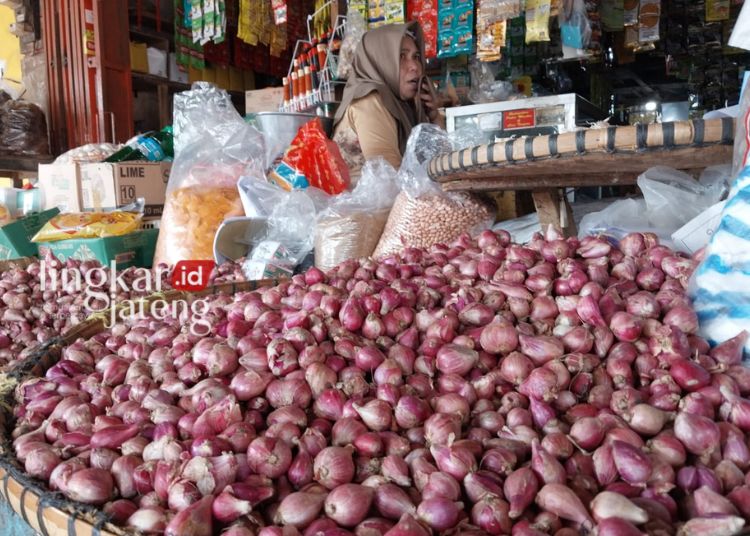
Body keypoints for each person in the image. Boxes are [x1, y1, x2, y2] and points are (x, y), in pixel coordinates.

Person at [332, 22, 444, 180]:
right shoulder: (369, 100)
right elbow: (390, 180)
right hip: (371, 204)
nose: (414, 67)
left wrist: (433, 116)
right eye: (401, 56)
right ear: (380, 60)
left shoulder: (403, 104)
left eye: (416, 57)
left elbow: (440, 163)